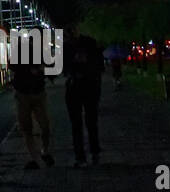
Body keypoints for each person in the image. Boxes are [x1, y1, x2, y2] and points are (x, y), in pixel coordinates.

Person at [10, 33, 54, 169]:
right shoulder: (23, 50)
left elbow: (52, 67)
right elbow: (13, 65)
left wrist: (44, 70)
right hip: (24, 92)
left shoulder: (43, 52)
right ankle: (36, 157)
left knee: (43, 125)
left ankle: (43, 152)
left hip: (36, 91)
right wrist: (31, 69)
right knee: (28, 126)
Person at [62, 24, 103, 166]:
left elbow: (98, 63)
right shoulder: (67, 47)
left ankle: (91, 153)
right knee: (80, 123)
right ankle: (83, 155)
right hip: (78, 86)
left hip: (88, 85)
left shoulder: (88, 44)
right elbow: (64, 67)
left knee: (88, 122)